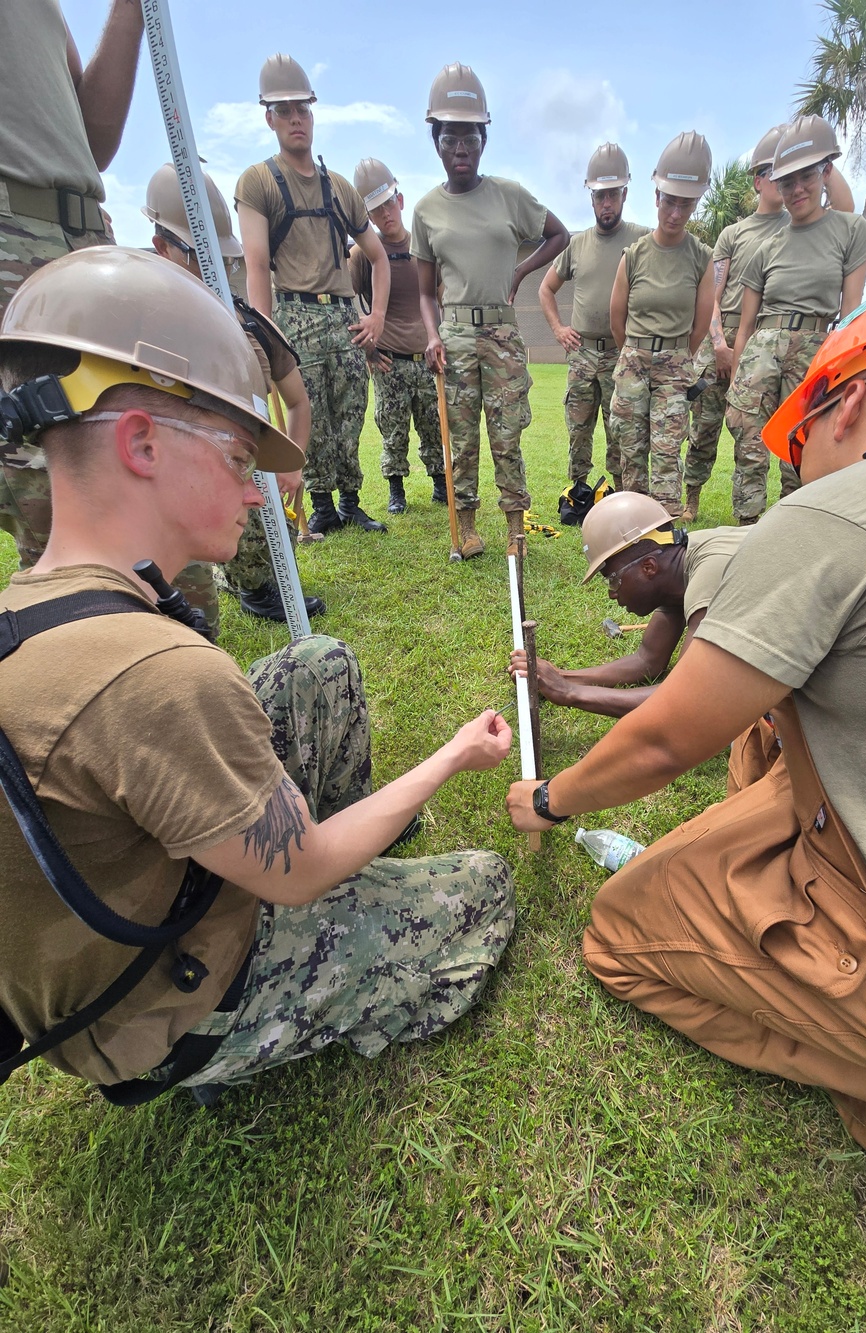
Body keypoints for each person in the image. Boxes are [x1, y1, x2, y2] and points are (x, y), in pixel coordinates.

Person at [506, 270, 866, 1239]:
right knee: (772, 723)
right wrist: (561, 682)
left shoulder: (828, 518)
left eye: (800, 438)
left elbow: (663, 728)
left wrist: (549, 798)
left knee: (616, 935)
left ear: (846, 397)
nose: (798, 465)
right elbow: (662, 675)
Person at [0, 247, 515, 1099]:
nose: (258, 492)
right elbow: (302, 867)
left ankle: (356, 861)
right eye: (240, 460)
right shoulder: (155, 670)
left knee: (319, 665)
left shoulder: (42, 603)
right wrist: (453, 756)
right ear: (141, 442)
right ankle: (258, 1020)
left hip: (133, 925)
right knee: (481, 888)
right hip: (160, 1005)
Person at [143, 163, 326, 625]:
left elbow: (298, 400)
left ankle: (255, 583)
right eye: (198, 255)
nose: (215, 270)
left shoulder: (251, 326)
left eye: (223, 259)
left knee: (268, 531)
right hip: (168, 488)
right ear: (161, 247)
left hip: (245, 477)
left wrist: (292, 463)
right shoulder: (141, 328)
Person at [0, 0, 143, 567]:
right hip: (10, 235)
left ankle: (173, 650)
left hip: (84, 237)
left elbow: (93, 141)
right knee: (52, 495)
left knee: (136, 459)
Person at [411, 62, 569, 559]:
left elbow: (559, 235)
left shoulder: (509, 195)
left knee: (506, 435)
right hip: (454, 336)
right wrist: (431, 336)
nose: (461, 149)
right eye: (450, 138)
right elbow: (422, 291)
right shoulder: (425, 211)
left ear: (484, 141)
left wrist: (521, 273)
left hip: (502, 336)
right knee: (462, 441)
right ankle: (468, 529)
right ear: (436, 141)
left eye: (470, 138)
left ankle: (515, 531)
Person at [235, 54, 390, 535]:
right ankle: (318, 504)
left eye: (302, 108)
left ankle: (350, 501)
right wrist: (265, 329)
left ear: (313, 113)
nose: (296, 119)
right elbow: (256, 263)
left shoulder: (339, 188)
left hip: (344, 318)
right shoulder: (258, 182)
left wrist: (377, 316)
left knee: (350, 412)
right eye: (284, 111)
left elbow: (379, 256)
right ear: (270, 119)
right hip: (294, 315)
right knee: (312, 416)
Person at [681, 125, 856, 524]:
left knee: (787, 428)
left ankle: (786, 509)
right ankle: (691, 496)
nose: (789, 185)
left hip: (770, 339)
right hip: (724, 338)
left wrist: (823, 165)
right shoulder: (734, 234)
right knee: (707, 427)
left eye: (800, 174)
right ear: (761, 180)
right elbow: (711, 294)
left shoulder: (803, 223)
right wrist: (721, 346)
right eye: (775, 173)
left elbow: (846, 211)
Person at [727, 115, 866, 521]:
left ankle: (796, 525)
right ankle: (747, 528)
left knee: (803, 445)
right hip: (761, 348)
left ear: (825, 171)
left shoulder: (850, 230)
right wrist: (736, 376)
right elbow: (745, 326)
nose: (796, 190)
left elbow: (850, 314)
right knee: (750, 445)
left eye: (806, 176)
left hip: (815, 346)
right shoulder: (765, 246)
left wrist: (844, 371)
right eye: (786, 181)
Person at [510, 491, 745, 717]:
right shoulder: (675, 563)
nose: (612, 594)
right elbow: (648, 660)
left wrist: (569, 692)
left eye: (613, 580)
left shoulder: (711, 575)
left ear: (648, 567)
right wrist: (559, 676)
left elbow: (684, 699)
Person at [609, 133, 714, 518]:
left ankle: (666, 531)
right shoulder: (633, 256)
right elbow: (616, 318)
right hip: (633, 359)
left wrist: (672, 353)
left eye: (685, 204)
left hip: (675, 362)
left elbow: (700, 325)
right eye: (669, 201)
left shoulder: (701, 258)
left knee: (667, 452)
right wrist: (637, 350)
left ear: (694, 204)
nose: (674, 213)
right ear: (656, 198)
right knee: (631, 449)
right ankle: (634, 529)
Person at [538, 144, 648, 493]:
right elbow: (545, 289)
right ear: (591, 198)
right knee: (579, 428)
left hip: (622, 353)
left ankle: (623, 494)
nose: (606, 203)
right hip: (583, 355)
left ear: (625, 194)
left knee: (622, 428)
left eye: (613, 195)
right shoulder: (578, 245)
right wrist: (558, 328)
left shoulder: (643, 240)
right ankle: (580, 492)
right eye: (600, 196)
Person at [348, 158, 446, 517]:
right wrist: (370, 351)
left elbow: (439, 296)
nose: (385, 214)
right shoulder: (363, 255)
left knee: (434, 425)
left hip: (425, 359)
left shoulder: (424, 249)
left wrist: (441, 338)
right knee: (392, 429)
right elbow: (347, 303)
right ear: (368, 216)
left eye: (389, 203)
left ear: (400, 201)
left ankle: (440, 484)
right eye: (375, 209)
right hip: (389, 363)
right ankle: (396, 491)